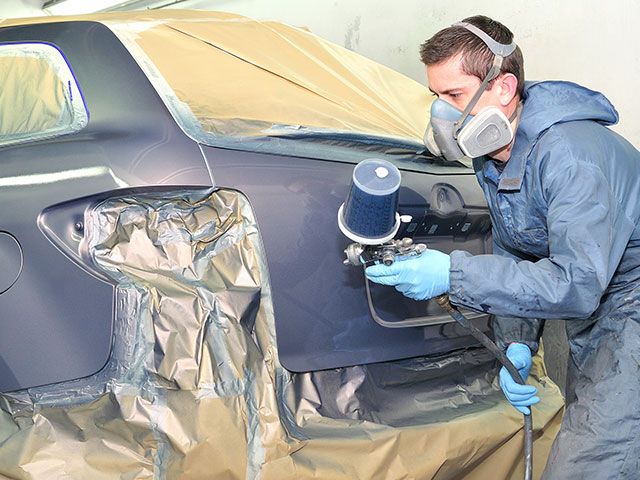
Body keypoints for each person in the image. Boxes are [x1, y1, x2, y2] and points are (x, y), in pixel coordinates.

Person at [365, 15, 640, 479]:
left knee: (591, 465)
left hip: (626, 309)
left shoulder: (570, 157)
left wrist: (452, 274)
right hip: (600, 316)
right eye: (436, 97)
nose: (442, 115)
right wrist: (516, 341)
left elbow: (575, 284)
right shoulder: (495, 158)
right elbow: (519, 249)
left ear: (504, 87)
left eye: (453, 96)